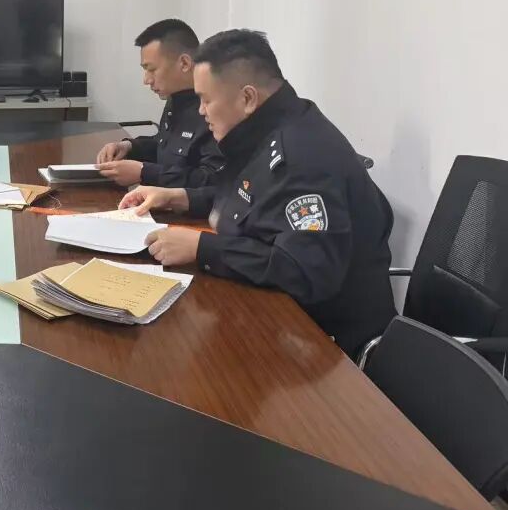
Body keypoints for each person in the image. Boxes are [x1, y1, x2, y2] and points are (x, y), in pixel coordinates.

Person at [120, 29, 396, 358]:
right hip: (276, 316)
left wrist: (201, 247)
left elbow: (304, 271)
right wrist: (178, 197)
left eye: (206, 100)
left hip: (326, 347)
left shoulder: (303, 156)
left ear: (248, 98)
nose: (201, 112)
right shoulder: (264, 131)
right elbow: (247, 199)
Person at [95, 19, 222, 188]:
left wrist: (144, 172)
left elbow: (212, 181)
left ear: (184, 63)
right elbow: (164, 146)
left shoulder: (216, 107)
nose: (146, 80)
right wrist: (128, 147)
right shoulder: (176, 99)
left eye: (152, 69)